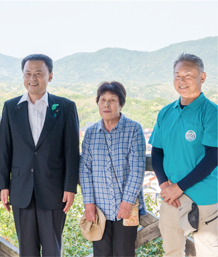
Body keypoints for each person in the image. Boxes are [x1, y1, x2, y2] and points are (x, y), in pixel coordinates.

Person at [0, 54, 79, 256]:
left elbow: (71, 151)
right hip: (21, 188)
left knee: (52, 249)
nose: (32, 78)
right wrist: (3, 186)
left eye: (38, 73)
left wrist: (70, 187)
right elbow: (4, 149)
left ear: (50, 76)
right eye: (28, 73)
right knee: (27, 250)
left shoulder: (65, 107)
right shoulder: (10, 107)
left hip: (54, 190)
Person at [149, 53, 218, 256]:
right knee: (172, 252)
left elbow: (213, 157)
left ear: (202, 77)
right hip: (171, 200)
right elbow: (157, 151)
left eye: (188, 75)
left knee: (208, 253)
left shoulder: (211, 112)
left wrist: (178, 187)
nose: (181, 80)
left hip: (204, 199)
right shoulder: (165, 112)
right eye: (177, 75)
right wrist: (164, 185)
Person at [79, 81, 146, 256]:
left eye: (112, 100)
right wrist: (89, 204)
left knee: (124, 253)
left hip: (126, 208)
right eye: (103, 100)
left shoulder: (133, 129)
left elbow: (137, 169)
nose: (107, 104)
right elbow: (85, 171)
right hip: (99, 209)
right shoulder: (91, 133)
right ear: (98, 103)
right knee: (101, 253)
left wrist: (127, 202)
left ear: (121, 103)